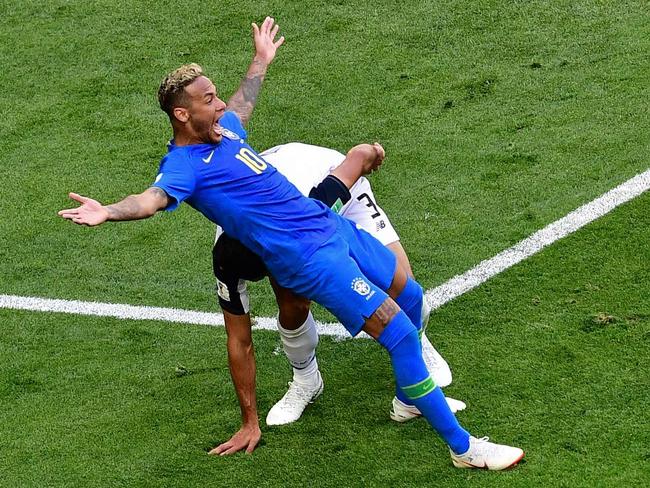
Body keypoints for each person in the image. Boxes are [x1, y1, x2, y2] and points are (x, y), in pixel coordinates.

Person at [58, 17, 524, 469]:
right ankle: (464, 450)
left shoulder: (225, 132)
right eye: (208, 99)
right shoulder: (184, 166)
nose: (219, 104)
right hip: (310, 260)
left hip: (328, 224)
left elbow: (242, 106)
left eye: (216, 94)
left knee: (413, 295)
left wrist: (260, 61)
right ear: (183, 114)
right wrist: (109, 211)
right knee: (401, 335)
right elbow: (152, 199)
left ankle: (408, 402)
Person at [212, 142, 465, 445]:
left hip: (333, 189)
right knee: (293, 302)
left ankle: (417, 348)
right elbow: (239, 340)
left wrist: (371, 153)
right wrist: (248, 422)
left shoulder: (307, 204)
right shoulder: (225, 255)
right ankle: (306, 380)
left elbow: (355, 161)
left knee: (404, 285)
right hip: (287, 226)